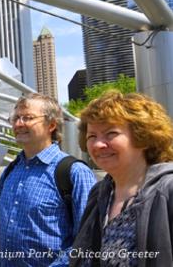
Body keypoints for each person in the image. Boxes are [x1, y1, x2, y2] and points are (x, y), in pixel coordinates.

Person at [70, 91, 173, 266]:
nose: (98, 144)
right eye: (92, 136)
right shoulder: (99, 193)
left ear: (144, 136)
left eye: (111, 133)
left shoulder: (168, 191)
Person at [0, 93, 96, 266]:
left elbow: (88, 240)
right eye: (16, 118)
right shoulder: (10, 171)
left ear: (51, 125)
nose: (19, 124)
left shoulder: (73, 173)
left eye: (28, 118)